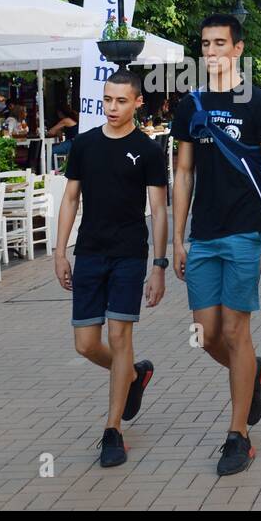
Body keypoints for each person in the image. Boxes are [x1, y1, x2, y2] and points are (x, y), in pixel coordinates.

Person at [172, 14, 261, 477]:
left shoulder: (258, 104)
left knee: (235, 331)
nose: (213, 50)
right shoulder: (190, 104)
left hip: (246, 230)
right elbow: (183, 174)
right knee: (206, 335)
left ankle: (237, 435)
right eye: (205, 43)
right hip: (203, 234)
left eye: (221, 42)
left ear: (239, 49)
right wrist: (177, 240)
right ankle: (252, 371)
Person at [54, 71, 168, 468]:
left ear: (137, 102)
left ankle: (112, 430)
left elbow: (159, 210)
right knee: (85, 344)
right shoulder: (84, 145)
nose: (113, 108)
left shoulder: (149, 151)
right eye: (107, 100)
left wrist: (159, 264)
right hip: (88, 252)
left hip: (129, 254)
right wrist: (59, 251)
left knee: (120, 336)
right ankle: (133, 376)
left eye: (121, 101)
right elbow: (70, 199)